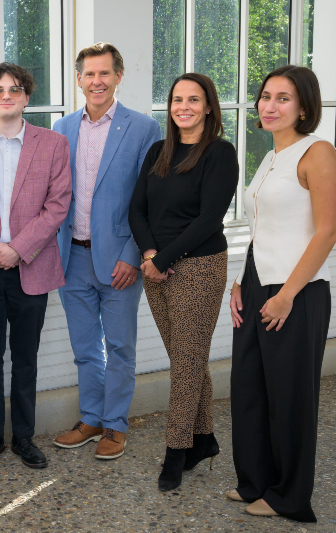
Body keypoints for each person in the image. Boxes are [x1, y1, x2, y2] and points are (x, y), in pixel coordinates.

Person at [229, 65, 336, 522]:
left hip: (298, 290)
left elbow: (328, 231)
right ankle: (256, 480)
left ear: (304, 106)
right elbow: (265, 228)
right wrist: (240, 279)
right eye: (265, 96)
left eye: (283, 98)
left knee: (290, 397)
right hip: (257, 283)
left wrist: (288, 293)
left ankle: (289, 496)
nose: (269, 106)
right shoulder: (272, 156)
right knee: (249, 388)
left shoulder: (318, 152)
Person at [128, 73, 238, 491]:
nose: (184, 107)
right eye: (177, 99)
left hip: (200, 268)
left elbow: (210, 218)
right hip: (156, 266)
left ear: (209, 106)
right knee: (186, 358)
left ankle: (176, 453)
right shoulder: (159, 150)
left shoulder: (220, 153)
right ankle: (204, 438)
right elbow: (136, 208)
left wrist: (164, 258)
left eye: (194, 100)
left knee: (187, 363)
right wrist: (150, 255)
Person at [52, 42, 161, 459]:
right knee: (84, 348)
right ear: (78, 79)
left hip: (120, 260)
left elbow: (148, 198)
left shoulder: (143, 129)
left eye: (104, 73)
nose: (96, 81)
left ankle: (116, 424)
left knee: (119, 347)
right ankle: (91, 418)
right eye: (89, 74)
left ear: (118, 76)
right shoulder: (61, 129)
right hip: (71, 257)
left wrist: (134, 254)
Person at [0, 63, 72, 470]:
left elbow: (58, 205)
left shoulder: (53, 145)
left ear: (27, 97)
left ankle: (24, 437)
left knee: (26, 359)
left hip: (32, 268)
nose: (6, 95)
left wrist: (18, 248)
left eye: (15, 89)